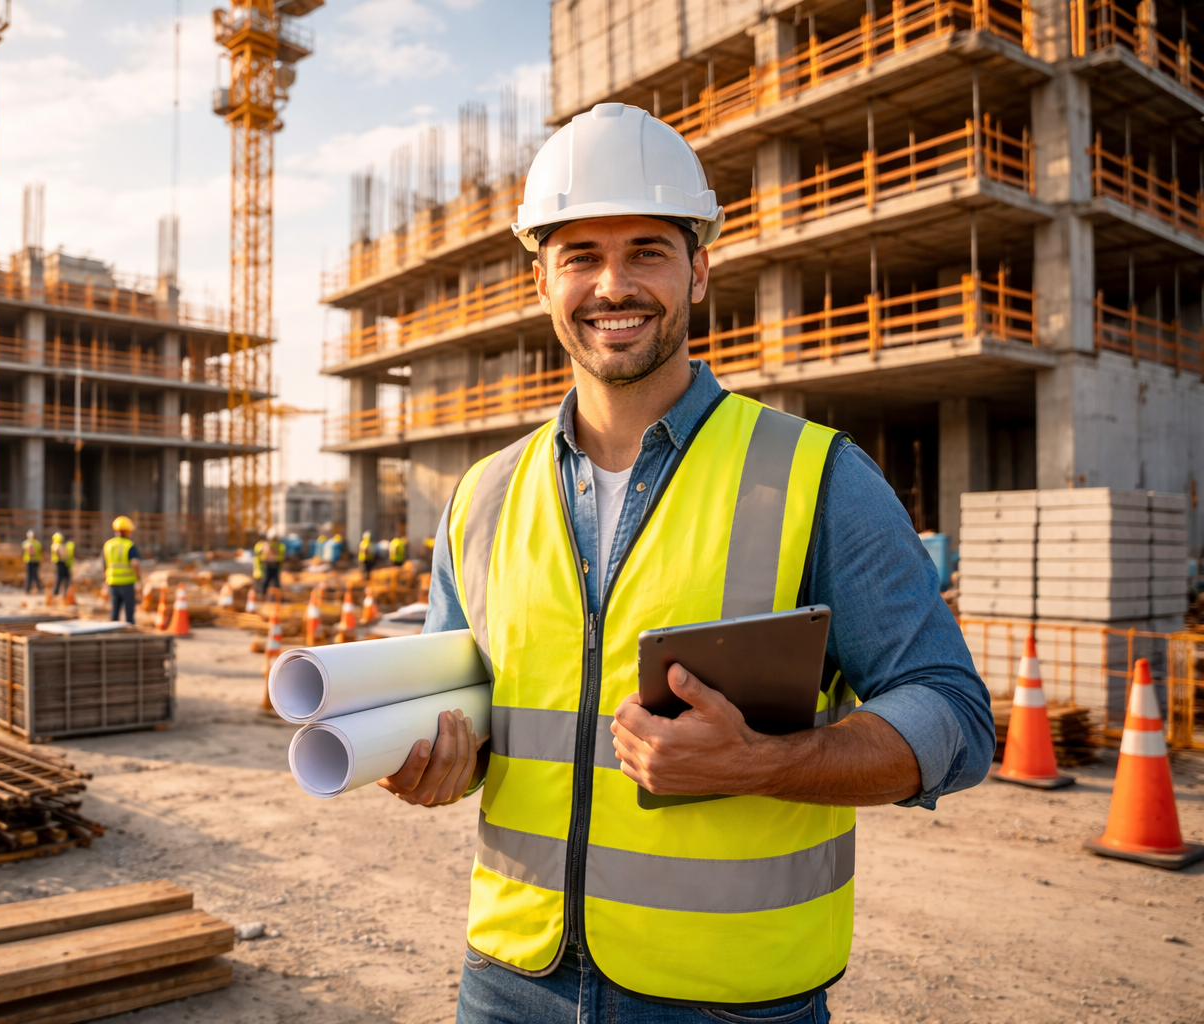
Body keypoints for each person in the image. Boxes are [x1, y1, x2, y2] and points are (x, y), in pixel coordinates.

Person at [376, 104, 994, 1023]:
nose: (613, 285)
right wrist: (432, 761)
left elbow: (953, 714)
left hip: (728, 999)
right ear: (539, 278)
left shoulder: (816, 476)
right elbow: (469, 722)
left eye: (648, 252)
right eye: (581, 254)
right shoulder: (482, 496)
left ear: (700, 269)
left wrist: (765, 761)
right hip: (508, 980)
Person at [104, 516, 141, 623]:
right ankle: (130, 636)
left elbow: (104, 564)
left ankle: (112, 637)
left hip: (112, 582)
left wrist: (105, 581)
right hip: (127, 583)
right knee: (129, 614)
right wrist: (138, 578)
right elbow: (135, 563)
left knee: (114, 613)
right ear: (127, 531)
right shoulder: (129, 545)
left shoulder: (108, 545)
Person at [253, 528, 285, 597]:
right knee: (265, 581)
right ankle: (263, 595)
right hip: (268, 565)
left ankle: (277, 597)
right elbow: (260, 556)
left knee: (276, 582)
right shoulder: (264, 545)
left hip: (275, 565)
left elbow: (280, 555)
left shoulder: (279, 545)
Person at [50, 531, 74, 597]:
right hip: (60, 563)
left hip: (58, 563)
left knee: (59, 578)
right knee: (61, 577)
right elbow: (62, 554)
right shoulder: (57, 545)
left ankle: (58, 592)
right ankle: (58, 592)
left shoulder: (55, 545)